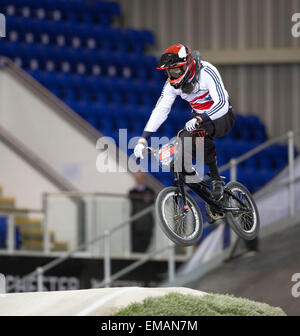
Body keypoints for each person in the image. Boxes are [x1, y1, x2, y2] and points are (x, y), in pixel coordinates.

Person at [134, 43, 235, 200]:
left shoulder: (207, 72)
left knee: (195, 132)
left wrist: (201, 118)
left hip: (222, 117)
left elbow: (222, 104)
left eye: (175, 70)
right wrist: (142, 139)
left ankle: (216, 180)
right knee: (178, 159)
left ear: (186, 65)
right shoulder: (171, 84)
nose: (172, 75)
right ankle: (208, 198)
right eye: (169, 71)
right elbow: (160, 111)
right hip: (199, 120)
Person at [128, 171, 155, 253]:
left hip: (147, 223)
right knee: (135, 247)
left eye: (140, 177)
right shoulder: (132, 192)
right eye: (137, 178)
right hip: (136, 223)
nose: (139, 180)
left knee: (146, 246)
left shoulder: (150, 191)